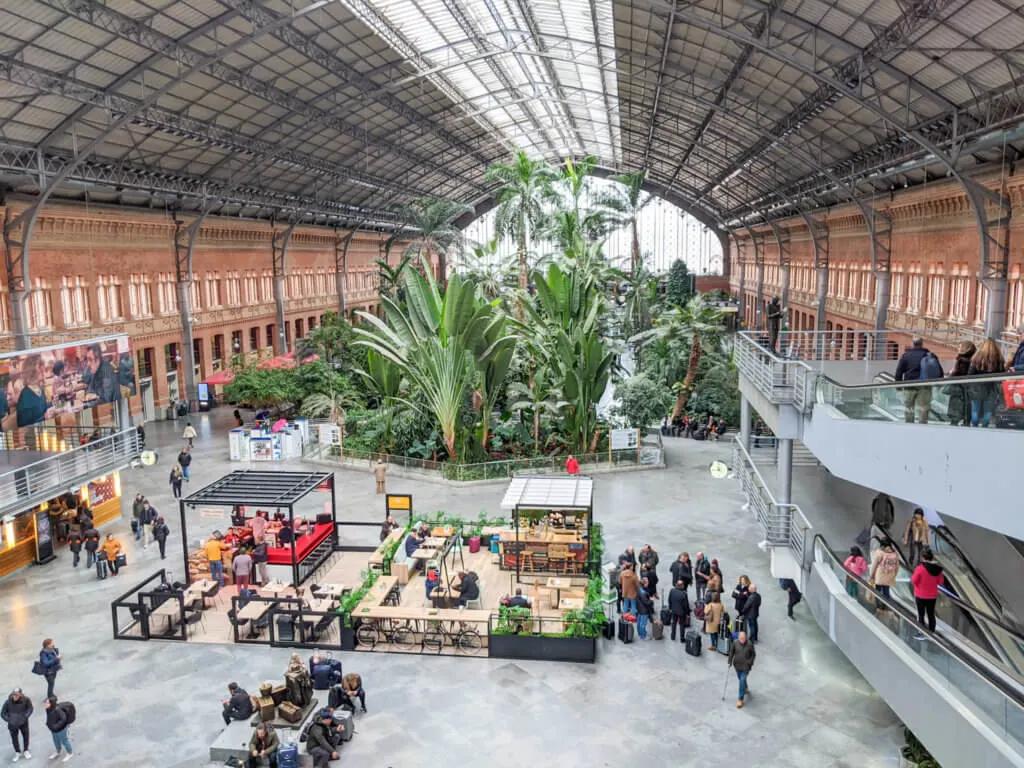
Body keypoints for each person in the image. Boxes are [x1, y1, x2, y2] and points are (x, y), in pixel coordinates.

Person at [894, 337, 934, 423]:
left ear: (912, 344)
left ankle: (909, 425)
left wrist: (898, 385)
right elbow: (935, 369)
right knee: (923, 408)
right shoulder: (928, 354)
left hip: (909, 384)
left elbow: (899, 371)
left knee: (909, 407)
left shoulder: (906, 355)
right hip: (924, 385)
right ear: (922, 344)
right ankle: (923, 426)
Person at [968, 338, 1006, 428]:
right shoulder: (999, 359)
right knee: (988, 411)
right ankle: (984, 427)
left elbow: (970, 374)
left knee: (975, 410)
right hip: (992, 388)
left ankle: (974, 426)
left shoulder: (977, 358)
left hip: (977, 388)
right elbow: (1002, 375)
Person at [911, 548, 945, 636]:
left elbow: (913, 580)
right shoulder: (938, 569)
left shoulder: (920, 568)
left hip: (920, 595)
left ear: (922, 557)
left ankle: (921, 632)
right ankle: (931, 632)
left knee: (921, 614)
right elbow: (940, 582)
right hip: (932, 596)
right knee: (931, 614)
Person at [16, 355, 55, 427]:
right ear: (32, 373)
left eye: (43, 371)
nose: (44, 374)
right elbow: (23, 425)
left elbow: (45, 407)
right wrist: (44, 418)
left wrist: (51, 408)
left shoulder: (40, 389)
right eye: (41, 371)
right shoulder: (25, 395)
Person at [944, 341, 976, 427]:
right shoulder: (973, 360)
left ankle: (954, 424)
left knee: (955, 409)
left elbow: (956, 373)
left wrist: (950, 373)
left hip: (957, 388)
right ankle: (966, 423)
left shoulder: (961, 360)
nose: (958, 348)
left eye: (960, 347)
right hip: (967, 388)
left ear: (964, 348)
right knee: (966, 408)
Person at [728, 630, 757, 709]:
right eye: (741, 638)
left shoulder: (750, 644)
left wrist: (750, 663)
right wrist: (730, 661)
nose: (742, 640)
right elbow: (731, 652)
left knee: (741, 680)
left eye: (744, 638)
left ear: (746, 637)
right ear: (738, 638)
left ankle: (740, 699)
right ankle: (746, 687)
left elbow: (753, 655)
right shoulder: (735, 643)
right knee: (741, 679)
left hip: (746, 667)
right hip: (737, 665)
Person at [2, 688, 32, 762]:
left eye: (17, 695)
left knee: (26, 736)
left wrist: (25, 716)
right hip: (13, 725)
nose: (15, 696)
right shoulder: (8, 702)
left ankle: (26, 750)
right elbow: (3, 713)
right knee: (14, 739)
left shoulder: (26, 700)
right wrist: (9, 720)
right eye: (14, 695)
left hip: (23, 723)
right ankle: (17, 752)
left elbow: (30, 708)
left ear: (21, 695)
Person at [43, 697, 71, 762]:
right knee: (56, 740)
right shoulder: (48, 709)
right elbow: (49, 717)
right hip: (53, 730)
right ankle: (58, 751)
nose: (45, 704)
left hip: (61, 729)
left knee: (64, 741)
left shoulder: (58, 710)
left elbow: (63, 719)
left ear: (51, 703)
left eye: (47, 703)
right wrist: (48, 723)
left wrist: (56, 726)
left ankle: (70, 753)